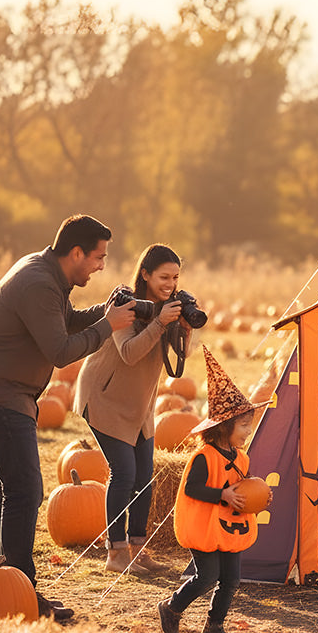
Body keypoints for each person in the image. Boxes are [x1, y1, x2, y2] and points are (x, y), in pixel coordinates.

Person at [0, 215, 135, 622]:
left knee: (12, 488)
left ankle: (7, 588)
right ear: (76, 252)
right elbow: (61, 350)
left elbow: (65, 320)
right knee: (25, 489)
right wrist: (108, 326)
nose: (101, 265)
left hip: (6, 394)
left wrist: (107, 311)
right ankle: (21, 592)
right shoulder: (39, 283)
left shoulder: (46, 274)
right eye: (98, 257)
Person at [75, 244, 192, 576]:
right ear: (145, 274)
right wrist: (159, 322)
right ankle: (115, 554)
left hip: (139, 403)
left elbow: (174, 363)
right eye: (163, 277)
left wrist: (183, 328)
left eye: (175, 277)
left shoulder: (167, 307)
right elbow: (128, 352)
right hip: (105, 397)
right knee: (124, 474)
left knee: (145, 478)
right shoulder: (124, 305)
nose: (170, 283)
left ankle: (139, 552)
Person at [158, 347, 271, 633]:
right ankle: (171, 608)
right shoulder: (204, 457)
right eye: (244, 424)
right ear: (224, 427)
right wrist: (222, 494)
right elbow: (192, 489)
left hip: (229, 527)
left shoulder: (242, 458)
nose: (249, 430)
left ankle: (214, 627)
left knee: (231, 580)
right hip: (204, 527)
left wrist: (259, 498)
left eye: (250, 423)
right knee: (207, 577)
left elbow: (244, 489)